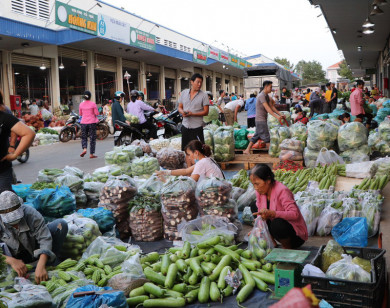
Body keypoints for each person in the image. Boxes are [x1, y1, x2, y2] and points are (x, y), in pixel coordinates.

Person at [0, 191, 68, 283]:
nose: (15, 225)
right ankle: (25, 268)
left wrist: (41, 265)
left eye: (17, 220)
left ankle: (47, 261)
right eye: (12, 223)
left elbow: (44, 238)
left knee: (60, 225)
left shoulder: (31, 214)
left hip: (34, 249)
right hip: (12, 255)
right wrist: (11, 261)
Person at [250, 164, 308, 249]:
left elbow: (295, 214)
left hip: (294, 236)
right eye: (253, 184)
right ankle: (272, 242)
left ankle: (287, 249)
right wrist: (258, 225)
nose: (256, 188)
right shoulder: (259, 191)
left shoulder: (282, 191)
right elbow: (260, 211)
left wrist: (273, 213)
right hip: (275, 230)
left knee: (277, 223)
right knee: (254, 206)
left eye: (257, 184)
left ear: (268, 180)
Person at [0, 92, 35, 193]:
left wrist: (15, 153)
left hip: (2, 171)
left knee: (5, 204)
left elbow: (29, 134)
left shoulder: (4, 116)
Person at [243, 80, 285, 155]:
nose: (271, 89)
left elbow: (271, 106)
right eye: (270, 87)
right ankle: (272, 153)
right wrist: (277, 117)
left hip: (261, 119)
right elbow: (267, 108)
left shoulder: (266, 96)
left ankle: (247, 150)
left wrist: (279, 114)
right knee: (266, 137)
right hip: (260, 120)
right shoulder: (261, 95)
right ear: (266, 87)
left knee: (256, 135)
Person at [155, 140, 224, 182]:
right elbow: (186, 171)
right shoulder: (206, 159)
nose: (189, 157)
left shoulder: (202, 163)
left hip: (217, 193)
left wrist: (166, 181)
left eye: (189, 154)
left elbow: (190, 183)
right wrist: (165, 172)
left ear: (196, 153)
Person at [178, 73, 209, 152]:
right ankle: (189, 164)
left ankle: (199, 164)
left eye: (201, 83)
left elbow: (206, 112)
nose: (199, 84)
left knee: (199, 150)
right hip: (185, 126)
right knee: (185, 150)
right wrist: (182, 112)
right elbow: (180, 107)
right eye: (198, 82)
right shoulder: (184, 93)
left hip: (197, 128)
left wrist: (193, 114)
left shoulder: (204, 95)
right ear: (191, 82)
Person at [79, 91, 99, 158]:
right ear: (90, 96)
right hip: (92, 122)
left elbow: (80, 114)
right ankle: (91, 154)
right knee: (92, 138)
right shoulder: (93, 104)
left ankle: (84, 149)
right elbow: (96, 113)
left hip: (83, 123)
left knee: (84, 137)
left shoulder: (81, 104)